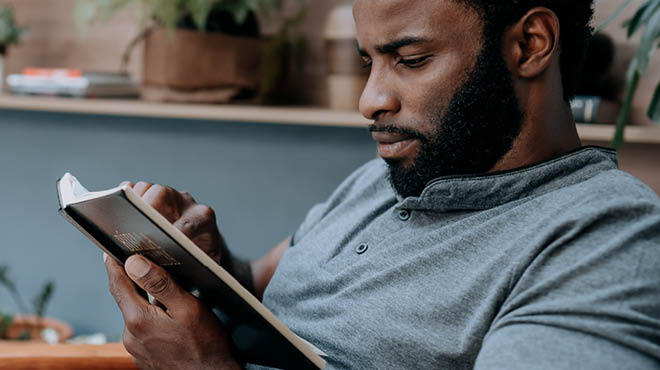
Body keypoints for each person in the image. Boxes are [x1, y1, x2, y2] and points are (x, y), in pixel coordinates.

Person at [103, 0, 660, 369]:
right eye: (368, 61)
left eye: (411, 60)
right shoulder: (384, 177)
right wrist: (204, 259)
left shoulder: (604, 238)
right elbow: (264, 288)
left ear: (530, 44)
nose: (370, 100)